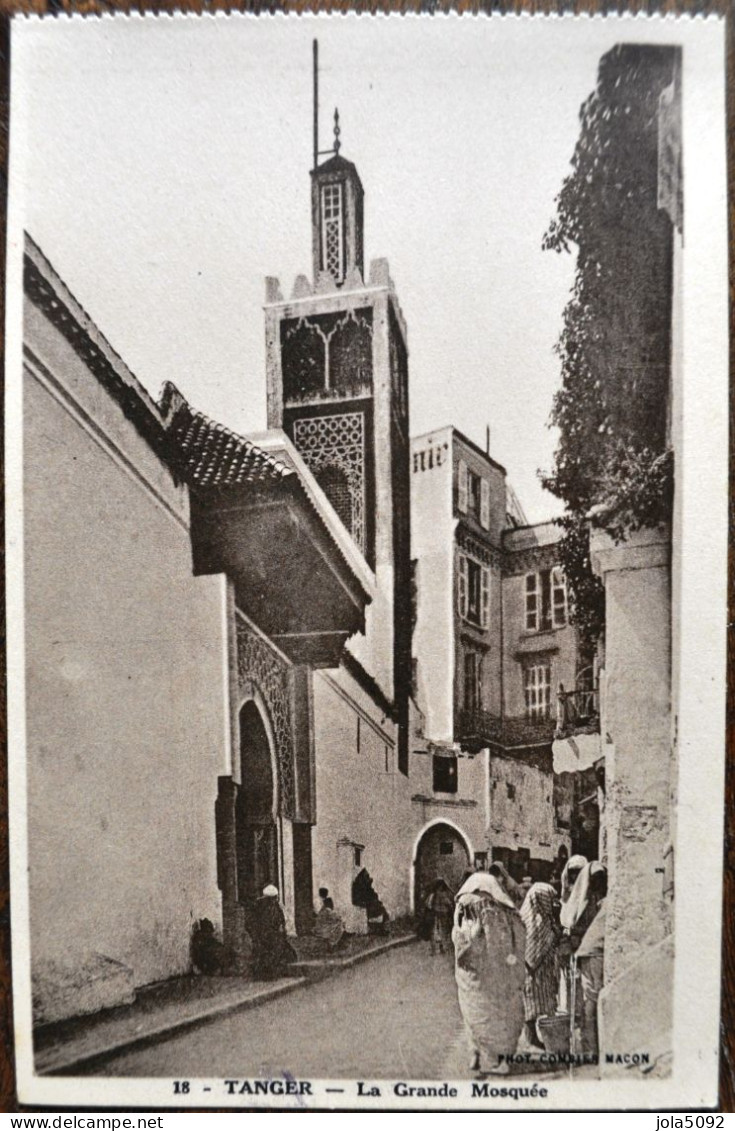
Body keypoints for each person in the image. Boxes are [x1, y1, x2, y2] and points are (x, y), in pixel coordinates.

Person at [452, 872, 526, 1076]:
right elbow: (497, 943)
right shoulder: (490, 906)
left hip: (467, 972)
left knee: (472, 1012)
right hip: (489, 973)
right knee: (496, 1013)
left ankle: (474, 1053)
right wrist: (508, 963)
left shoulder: (462, 904)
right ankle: (498, 1059)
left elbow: (458, 938)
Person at [519, 883, 561, 1050]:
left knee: (546, 1001)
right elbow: (534, 945)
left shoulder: (545, 917)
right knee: (531, 1004)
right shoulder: (532, 920)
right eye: (550, 899)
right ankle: (532, 1038)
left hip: (544, 968)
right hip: (532, 970)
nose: (552, 903)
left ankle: (550, 1035)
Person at [575, 887, 606, 1057]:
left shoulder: (602, 905)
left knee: (589, 999)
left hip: (586, 952)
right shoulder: (611, 902)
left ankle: (589, 1047)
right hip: (594, 953)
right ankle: (593, 1049)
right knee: (594, 999)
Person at [249, 884, 296, 980]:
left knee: (262, 954)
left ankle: (262, 974)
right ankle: (270, 974)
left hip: (261, 935)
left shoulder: (257, 905)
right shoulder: (272, 906)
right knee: (272, 953)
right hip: (269, 935)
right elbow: (280, 921)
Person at [425, 878, 454, 955]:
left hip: (436, 914)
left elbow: (428, 904)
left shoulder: (432, 895)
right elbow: (448, 903)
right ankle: (442, 948)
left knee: (436, 930)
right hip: (443, 914)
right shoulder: (443, 894)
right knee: (443, 930)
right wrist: (451, 908)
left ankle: (436, 949)